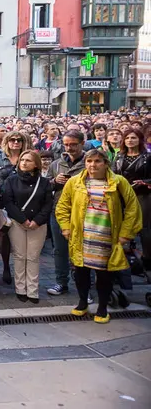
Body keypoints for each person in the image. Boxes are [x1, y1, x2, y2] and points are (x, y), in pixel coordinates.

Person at [56, 149, 142, 324]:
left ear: (105, 163)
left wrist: (126, 234)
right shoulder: (74, 182)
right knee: (80, 272)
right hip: (82, 235)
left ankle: (102, 307)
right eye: (89, 161)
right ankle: (82, 302)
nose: (92, 165)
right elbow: (62, 206)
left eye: (97, 161)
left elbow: (133, 209)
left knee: (104, 275)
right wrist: (65, 228)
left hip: (106, 237)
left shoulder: (119, 182)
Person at [2, 150, 53, 303]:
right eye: (22, 160)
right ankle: (20, 288)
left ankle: (32, 290)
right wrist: (23, 220)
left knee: (33, 257)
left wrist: (37, 221)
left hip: (38, 224)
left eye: (28, 160)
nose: (24, 163)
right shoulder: (11, 180)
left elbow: (47, 204)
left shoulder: (44, 182)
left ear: (36, 164)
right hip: (18, 223)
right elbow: (8, 202)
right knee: (20, 256)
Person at [46, 130, 87, 297]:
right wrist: (54, 182)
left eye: (73, 145)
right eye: (66, 144)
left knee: (83, 249)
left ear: (82, 143)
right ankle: (61, 282)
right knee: (60, 249)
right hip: (60, 211)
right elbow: (46, 187)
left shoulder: (90, 161)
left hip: (84, 212)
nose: (69, 148)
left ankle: (85, 287)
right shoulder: (56, 164)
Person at [0, 131, 32, 285]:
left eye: (19, 140)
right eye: (12, 140)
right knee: (4, 235)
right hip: (3, 202)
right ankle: (6, 268)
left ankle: (21, 270)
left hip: (23, 202)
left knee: (22, 238)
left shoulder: (28, 158)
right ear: (6, 142)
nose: (15, 142)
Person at [112, 128, 151, 270]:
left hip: (142, 194)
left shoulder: (148, 157)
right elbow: (112, 175)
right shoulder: (119, 157)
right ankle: (120, 257)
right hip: (122, 195)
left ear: (140, 140)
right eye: (127, 138)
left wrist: (145, 181)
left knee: (144, 227)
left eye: (133, 138)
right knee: (120, 225)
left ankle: (147, 258)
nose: (130, 140)